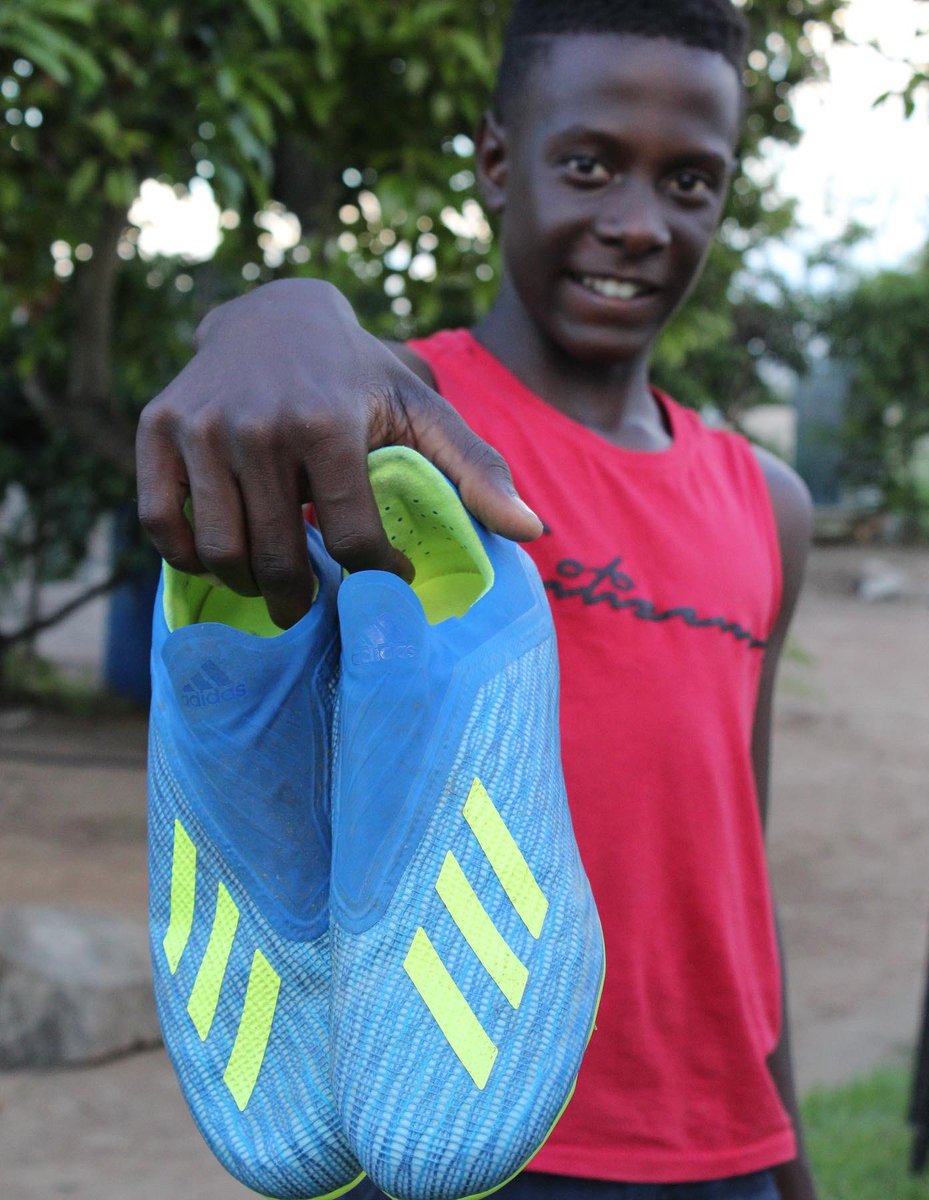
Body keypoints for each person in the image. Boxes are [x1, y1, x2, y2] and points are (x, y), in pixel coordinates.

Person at [136, 2, 817, 1197]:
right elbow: (272, 379)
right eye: (591, 163)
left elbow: (733, 870)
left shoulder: (770, 503)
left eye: (691, 181)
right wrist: (272, 309)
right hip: (453, 1116)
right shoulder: (395, 435)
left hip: (724, 1141)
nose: (639, 222)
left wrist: (787, 1142)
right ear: (500, 162)